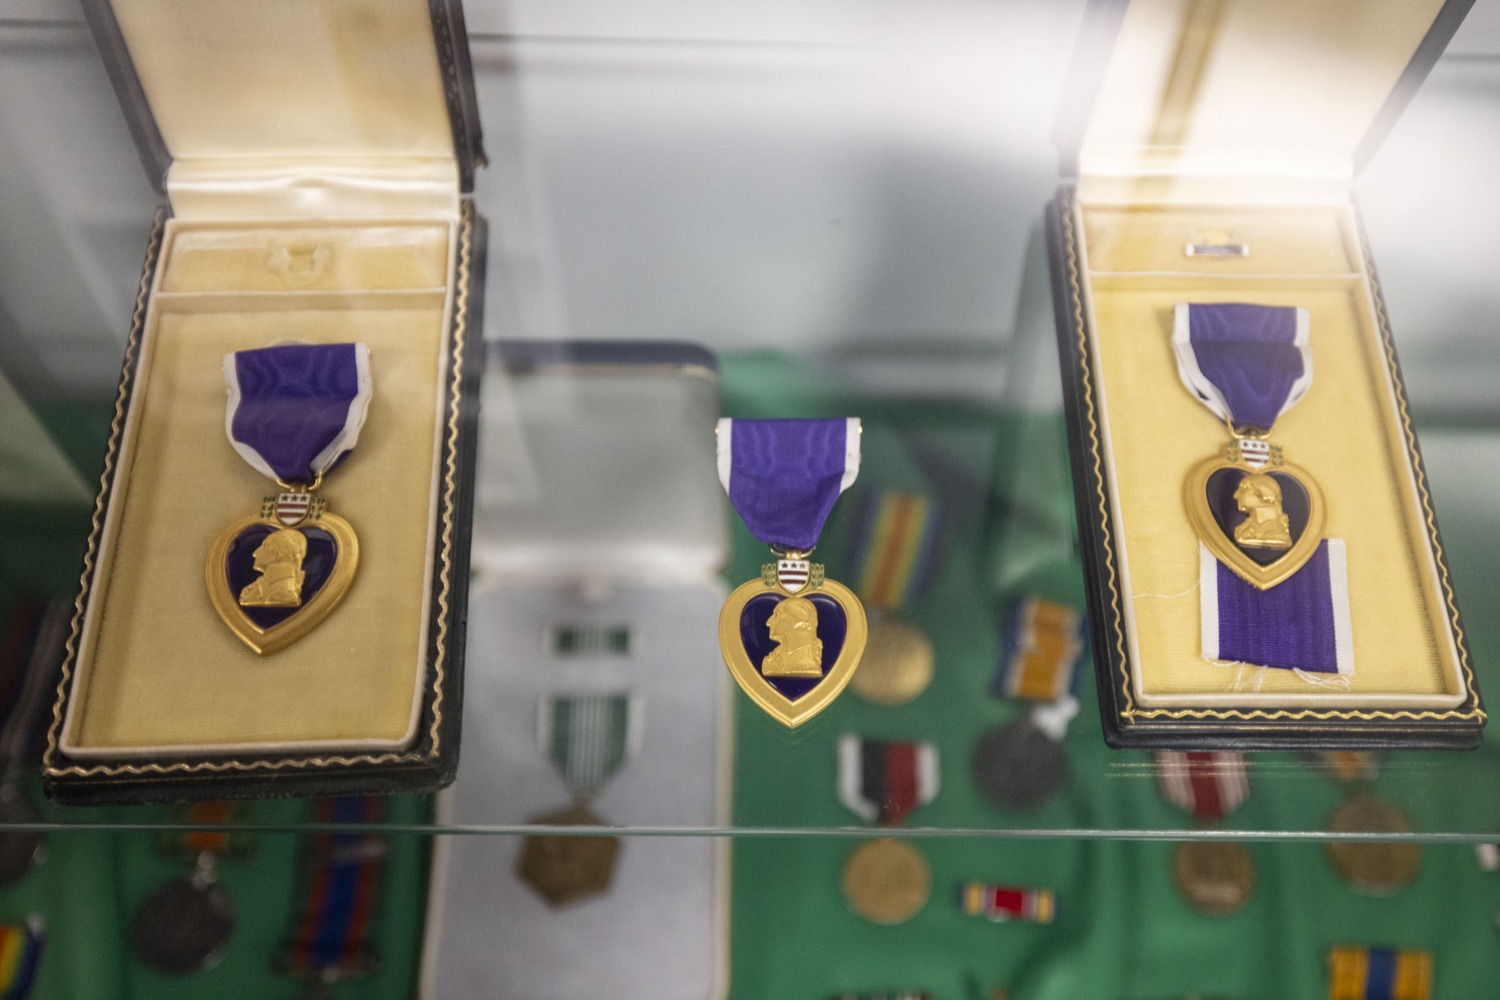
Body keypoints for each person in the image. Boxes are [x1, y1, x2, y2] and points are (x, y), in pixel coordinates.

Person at [238, 528, 308, 607]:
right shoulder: (259, 586)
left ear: (283, 550)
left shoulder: (284, 593)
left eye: (265, 545)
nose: (255, 553)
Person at [761, 596, 824, 678]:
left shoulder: (807, 664)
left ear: (799, 621)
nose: (768, 622)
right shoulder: (772, 661)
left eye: (777, 614)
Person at [1232, 473, 1292, 550]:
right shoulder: (1243, 530)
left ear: (1264, 493)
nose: (1236, 495)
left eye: (1243, 489)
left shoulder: (1277, 534)